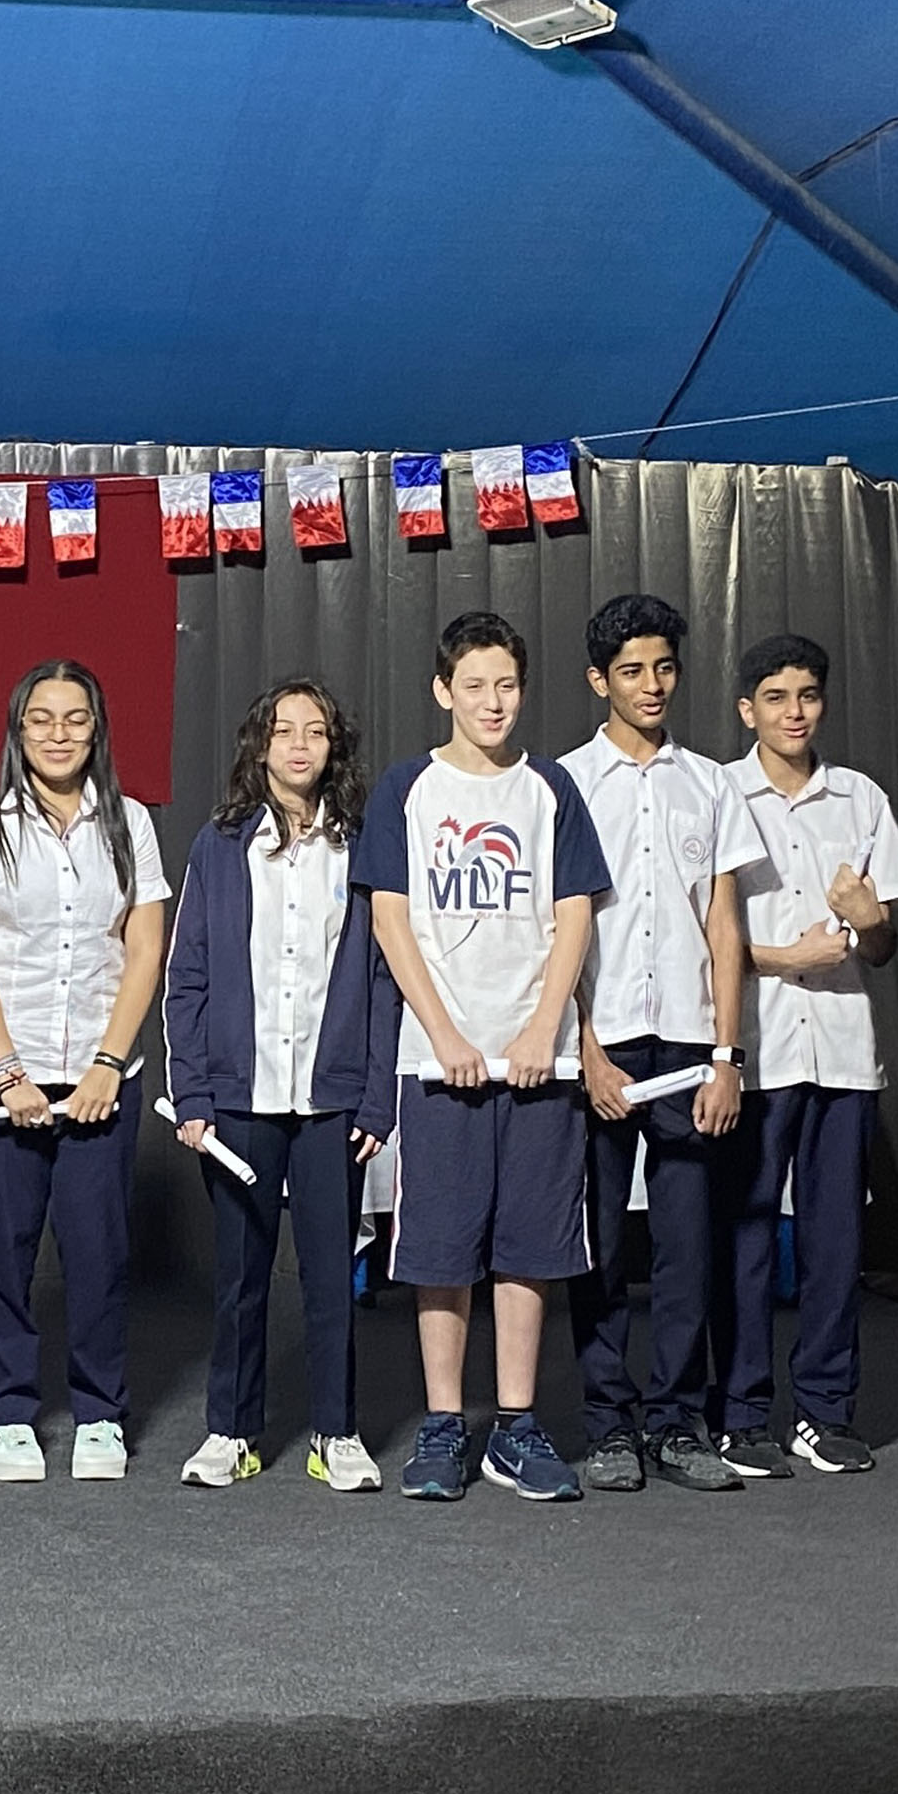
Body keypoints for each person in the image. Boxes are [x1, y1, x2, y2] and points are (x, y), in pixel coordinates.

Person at [353, 611, 608, 1505]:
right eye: (474, 686)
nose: (492, 702)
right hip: (439, 1063)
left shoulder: (550, 788)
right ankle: (441, 1425)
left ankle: (516, 1426)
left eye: (506, 685)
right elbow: (390, 919)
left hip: (539, 1063)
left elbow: (574, 914)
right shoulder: (407, 789)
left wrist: (544, 1029)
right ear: (443, 692)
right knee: (441, 1249)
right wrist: (446, 1034)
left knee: (529, 1248)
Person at [164, 679, 397, 1491]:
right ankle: (231, 1431)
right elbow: (187, 975)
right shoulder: (219, 845)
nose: (300, 745)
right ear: (260, 745)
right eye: (284, 730)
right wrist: (193, 1094)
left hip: (333, 1102)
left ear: (335, 747)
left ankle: (337, 1431)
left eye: (316, 731)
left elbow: (383, 980)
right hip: (240, 1097)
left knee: (332, 1277)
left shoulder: (362, 846)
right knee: (240, 1276)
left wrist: (377, 1096)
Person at [0, 659, 172, 1482]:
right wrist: (9, 1073)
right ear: (18, 727)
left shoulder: (129, 822)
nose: (58, 734)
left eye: (75, 718)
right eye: (42, 718)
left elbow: (143, 948)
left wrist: (108, 1063)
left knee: (98, 1251)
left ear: (96, 728)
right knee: (5, 1251)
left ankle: (100, 1412)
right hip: (0, 1069)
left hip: (101, 1071)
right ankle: (6, 1415)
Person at [558, 593, 760, 1495]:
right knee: (599, 1244)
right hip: (600, 1044)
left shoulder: (710, 783)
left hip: (687, 1046)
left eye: (665, 668)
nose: (652, 685)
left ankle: (678, 1423)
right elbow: (556, 929)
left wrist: (726, 1056)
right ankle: (608, 1423)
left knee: (687, 1246)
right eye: (632, 671)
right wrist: (584, 1048)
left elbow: (723, 925)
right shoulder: (564, 784)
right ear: (598, 680)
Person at [715, 634, 898, 1479]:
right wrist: (782, 958)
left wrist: (868, 921)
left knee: (836, 1240)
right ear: (746, 710)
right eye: (776, 697)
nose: (794, 712)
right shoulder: (720, 793)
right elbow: (701, 934)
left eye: (807, 695)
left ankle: (826, 1412)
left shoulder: (860, 798)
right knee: (746, 1236)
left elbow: (883, 947)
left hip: (840, 1051)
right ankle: (740, 1414)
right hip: (755, 1051)